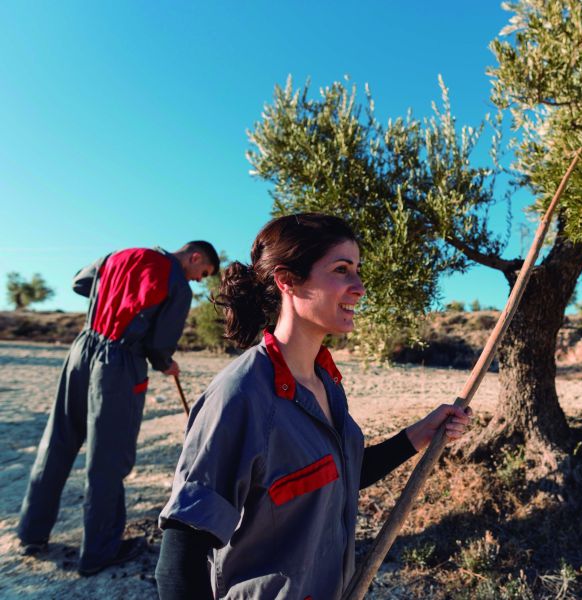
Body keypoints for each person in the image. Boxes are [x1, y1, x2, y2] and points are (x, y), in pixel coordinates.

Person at [155, 214, 471, 599]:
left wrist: (418, 434)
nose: (359, 287)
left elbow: (341, 475)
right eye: (342, 270)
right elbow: (179, 561)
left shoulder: (326, 384)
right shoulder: (241, 397)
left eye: (357, 270)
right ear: (287, 280)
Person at [17, 241, 220, 576]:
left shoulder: (120, 255)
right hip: (118, 363)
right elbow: (159, 344)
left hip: (82, 348)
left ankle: (31, 533)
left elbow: (79, 282)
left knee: (58, 440)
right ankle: (99, 551)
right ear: (194, 257)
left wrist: (114, 299)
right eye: (204, 273)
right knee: (107, 459)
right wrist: (165, 363)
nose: (199, 280)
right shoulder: (177, 283)